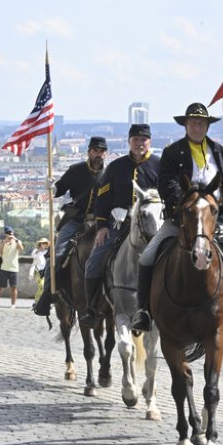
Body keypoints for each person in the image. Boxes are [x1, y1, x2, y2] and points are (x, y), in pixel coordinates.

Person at [131, 103, 223, 341]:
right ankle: (143, 311)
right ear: (186, 125)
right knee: (147, 256)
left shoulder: (219, 151)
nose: (197, 127)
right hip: (183, 217)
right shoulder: (173, 152)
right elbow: (166, 184)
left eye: (202, 123)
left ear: (207, 126)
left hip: (217, 218)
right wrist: (188, 202)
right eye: (193, 123)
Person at [82, 125, 159, 328]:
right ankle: (91, 308)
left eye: (143, 139)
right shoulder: (116, 167)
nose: (139, 143)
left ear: (149, 141)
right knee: (94, 261)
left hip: (150, 226)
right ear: (129, 141)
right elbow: (103, 198)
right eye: (135, 139)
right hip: (118, 224)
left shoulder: (158, 165)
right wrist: (102, 226)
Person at [34, 136, 108, 317]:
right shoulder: (76, 170)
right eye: (95, 150)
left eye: (102, 151)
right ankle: (47, 295)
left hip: (101, 222)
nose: (98, 154)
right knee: (57, 254)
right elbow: (60, 188)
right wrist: (52, 187)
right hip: (76, 220)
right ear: (89, 152)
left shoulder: (110, 173)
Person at [0, 227, 24, 308]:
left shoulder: (17, 241)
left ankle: (13, 304)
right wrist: (5, 241)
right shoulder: (2, 242)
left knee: (13, 287)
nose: (9, 234)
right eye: (7, 233)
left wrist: (15, 239)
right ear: (5, 234)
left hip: (14, 268)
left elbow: (21, 249)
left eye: (10, 232)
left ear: (13, 232)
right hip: (4, 268)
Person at [30, 238, 49, 305]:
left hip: (46, 271)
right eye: (42, 243)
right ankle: (36, 301)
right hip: (38, 271)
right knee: (41, 286)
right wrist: (39, 250)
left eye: (45, 243)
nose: (43, 244)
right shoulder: (36, 251)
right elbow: (33, 255)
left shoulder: (48, 252)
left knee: (45, 287)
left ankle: (42, 301)